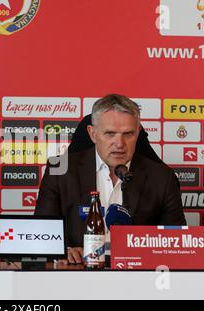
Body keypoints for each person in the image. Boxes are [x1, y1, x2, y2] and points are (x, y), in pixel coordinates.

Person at [35, 94, 186, 264]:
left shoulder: (162, 178)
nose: (119, 143)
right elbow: (41, 240)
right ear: (93, 134)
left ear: (137, 133)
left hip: (139, 278)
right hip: (77, 276)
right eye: (110, 133)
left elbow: (177, 243)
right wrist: (64, 251)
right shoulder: (59, 171)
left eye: (128, 134)